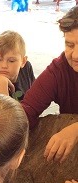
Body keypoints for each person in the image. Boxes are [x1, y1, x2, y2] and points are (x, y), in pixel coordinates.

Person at [21, 5, 78, 163]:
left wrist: (75, 129)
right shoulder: (59, 70)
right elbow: (27, 110)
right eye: (70, 45)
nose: (75, 55)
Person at [0, 30, 35, 101]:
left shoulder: (26, 69)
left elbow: (36, 98)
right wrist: (2, 84)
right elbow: (3, 111)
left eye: (11, 61)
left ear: (23, 61)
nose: (4, 65)